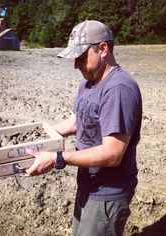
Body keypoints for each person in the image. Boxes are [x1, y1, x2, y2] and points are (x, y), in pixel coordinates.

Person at [26, 20, 142, 236]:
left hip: (108, 193)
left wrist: (56, 158)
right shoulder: (88, 82)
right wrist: (35, 137)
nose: (75, 65)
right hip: (89, 184)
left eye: (80, 57)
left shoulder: (118, 89)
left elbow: (113, 154)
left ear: (103, 49)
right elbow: (75, 123)